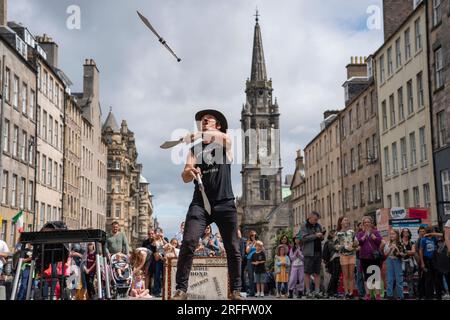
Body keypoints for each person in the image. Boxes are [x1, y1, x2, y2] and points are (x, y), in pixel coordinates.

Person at [172, 109, 242, 300]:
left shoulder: (224, 142)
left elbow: (224, 138)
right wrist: (191, 171)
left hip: (225, 202)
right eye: (202, 120)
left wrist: (196, 135)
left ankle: (236, 290)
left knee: (232, 247)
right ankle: (181, 289)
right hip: (201, 203)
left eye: (208, 119)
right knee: (188, 242)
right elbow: (185, 177)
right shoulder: (194, 149)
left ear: (217, 125)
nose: (204, 121)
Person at [297, 211, 324, 299]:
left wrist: (321, 236)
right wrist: (316, 235)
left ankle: (317, 291)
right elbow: (303, 238)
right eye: (315, 219)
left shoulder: (318, 225)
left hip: (318, 251)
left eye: (317, 219)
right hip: (308, 253)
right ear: (310, 217)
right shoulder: (304, 226)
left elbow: (321, 237)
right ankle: (308, 291)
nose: (316, 221)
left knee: (317, 272)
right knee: (307, 272)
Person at [357, 215, 382, 300]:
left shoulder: (376, 232)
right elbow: (358, 243)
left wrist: (374, 238)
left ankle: (377, 295)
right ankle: (368, 295)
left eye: (368, 222)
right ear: (363, 224)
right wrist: (364, 237)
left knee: (376, 276)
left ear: (371, 223)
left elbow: (379, 241)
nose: (367, 224)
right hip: (364, 257)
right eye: (365, 222)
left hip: (374, 257)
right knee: (367, 277)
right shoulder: (360, 233)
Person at [335, 216, 358, 299]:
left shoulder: (352, 232)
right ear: (341, 222)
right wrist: (343, 247)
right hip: (343, 255)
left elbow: (356, 243)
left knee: (351, 275)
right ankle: (346, 293)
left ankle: (351, 293)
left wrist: (355, 244)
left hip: (352, 255)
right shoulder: (337, 233)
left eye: (347, 220)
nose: (346, 221)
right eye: (345, 220)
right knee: (345, 275)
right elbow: (335, 245)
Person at [419, 227, 442, 299]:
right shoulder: (423, 239)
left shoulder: (434, 239)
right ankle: (429, 297)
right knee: (428, 280)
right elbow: (420, 251)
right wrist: (422, 263)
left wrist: (432, 234)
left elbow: (441, 235)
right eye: (428, 231)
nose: (429, 232)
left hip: (434, 261)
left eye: (430, 231)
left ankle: (439, 296)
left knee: (437, 280)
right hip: (427, 261)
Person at [382, 229, 405, 300]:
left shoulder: (401, 243)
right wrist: (390, 248)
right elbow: (385, 254)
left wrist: (397, 249)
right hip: (389, 260)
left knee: (399, 279)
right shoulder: (388, 243)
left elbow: (403, 254)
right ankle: (389, 295)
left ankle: (400, 296)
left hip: (397, 261)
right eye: (391, 234)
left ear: (397, 235)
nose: (392, 235)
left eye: (393, 234)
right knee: (389, 279)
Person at [399, 228, 417, 299]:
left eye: (407, 231)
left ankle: (411, 295)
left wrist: (404, 251)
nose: (406, 233)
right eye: (404, 231)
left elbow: (413, 252)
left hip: (409, 263)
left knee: (410, 280)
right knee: (399, 279)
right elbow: (398, 253)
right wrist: (408, 252)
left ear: (409, 233)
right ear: (402, 233)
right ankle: (400, 295)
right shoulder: (399, 243)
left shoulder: (412, 243)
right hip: (400, 263)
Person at [323, 230, 340, 298]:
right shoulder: (329, 242)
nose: (335, 235)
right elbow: (334, 249)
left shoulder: (335, 241)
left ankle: (334, 291)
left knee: (336, 276)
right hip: (333, 260)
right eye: (334, 234)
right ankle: (329, 291)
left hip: (337, 259)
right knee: (334, 276)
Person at [153, 227, 167, 297]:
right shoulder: (154, 240)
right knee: (157, 275)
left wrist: (162, 238)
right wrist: (156, 239)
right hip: (158, 260)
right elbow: (154, 247)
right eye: (157, 232)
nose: (158, 234)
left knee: (165, 275)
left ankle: (165, 290)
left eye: (159, 232)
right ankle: (157, 291)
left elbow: (167, 246)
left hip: (164, 259)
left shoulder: (164, 239)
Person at [415, 226, 427, 299]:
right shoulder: (418, 241)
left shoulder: (428, 239)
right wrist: (419, 261)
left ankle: (426, 294)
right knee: (421, 279)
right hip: (420, 262)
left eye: (423, 231)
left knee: (427, 279)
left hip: (428, 262)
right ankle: (421, 295)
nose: (422, 233)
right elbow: (416, 251)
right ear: (418, 233)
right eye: (420, 232)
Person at [246, 230, 258, 297]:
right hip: (250, 259)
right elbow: (247, 251)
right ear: (250, 236)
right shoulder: (248, 242)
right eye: (252, 235)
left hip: (257, 259)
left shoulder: (258, 242)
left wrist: (256, 243)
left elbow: (262, 250)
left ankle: (258, 291)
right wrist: (252, 243)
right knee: (251, 276)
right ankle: (252, 292)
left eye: (254, 235)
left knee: (257, 275)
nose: (253, 236)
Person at [237, 229, 247, 294]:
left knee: (242, 274)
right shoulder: (235, 240)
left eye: (238, 232)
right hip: (237, 260)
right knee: (238, 274)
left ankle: (243, 289)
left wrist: (242, 258)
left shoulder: (243, 240)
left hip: (242, 260)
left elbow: (243, 251)